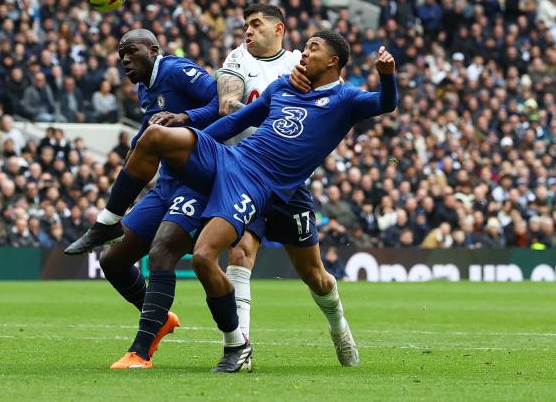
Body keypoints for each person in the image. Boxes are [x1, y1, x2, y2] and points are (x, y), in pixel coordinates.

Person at [92, 32, 396, 371]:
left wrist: (386, 75)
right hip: (235, 166)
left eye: (313, 49)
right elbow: (236, 118)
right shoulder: (261, 71)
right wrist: (192, 139)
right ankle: (237, 346)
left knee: (311, 274)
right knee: (159, 140)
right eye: (306, 46)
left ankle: (338, 328)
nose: (304, 54)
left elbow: (385, 103)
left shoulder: (344, 97)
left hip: (279, 188)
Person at [66, 29, 220, 368]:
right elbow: (149, 131)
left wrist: (186, 118)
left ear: (153, 50)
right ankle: (160, 317)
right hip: (166, 184)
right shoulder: (144, 89)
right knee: (112, 260)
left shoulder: (178, 71)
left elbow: (222, 102)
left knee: (161, 252)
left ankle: (140, 352)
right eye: (120, 54)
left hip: (199, 182)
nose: (124, 59)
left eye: (131, 52)